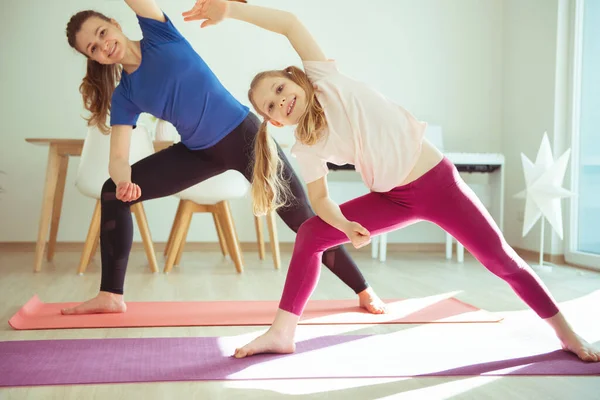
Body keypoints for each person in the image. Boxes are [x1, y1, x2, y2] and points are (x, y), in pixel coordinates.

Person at [182, 0, 600, 362]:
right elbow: (322, 199)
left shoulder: (326, 79)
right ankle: (282, 333)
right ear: (274, 120)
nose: (281, 100)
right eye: (272, 105)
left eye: (279, 87)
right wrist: (344, 226)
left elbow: (290, 23)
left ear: (295, 77)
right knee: (311, 233)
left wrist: (231, 10)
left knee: (500, 260)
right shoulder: (306, 147)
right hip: (393, 199)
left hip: (439, 184)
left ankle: (565, 332)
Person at [60, 0, 386, 315]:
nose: (103, 45)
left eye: (102, 33)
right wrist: (123, 180)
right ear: (94, 59)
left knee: (303, 219)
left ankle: (363, 289)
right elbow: (118, 157)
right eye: (93, 48)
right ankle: (110, 295)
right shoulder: (126, 94)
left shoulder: (159, 33)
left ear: (115, 24)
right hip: (199, 153)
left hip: (245, 137)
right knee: (110, 191)